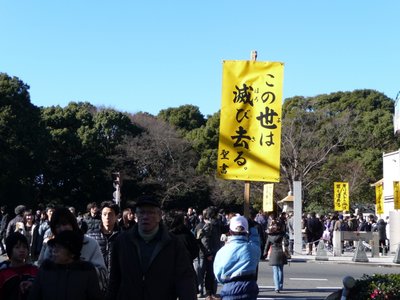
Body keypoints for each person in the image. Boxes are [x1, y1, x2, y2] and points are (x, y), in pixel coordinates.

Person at [106, 195, 197, 300]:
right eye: (142, 212)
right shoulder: (122, 241)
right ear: (136, 216)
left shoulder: (173, 243)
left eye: (151, 212)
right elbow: (114, 279)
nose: (145, 216)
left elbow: (185, 279)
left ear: (159, 216)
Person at [37, 207, 107, 293]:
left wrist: (80, 267)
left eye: (65, 224)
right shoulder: (51, 246)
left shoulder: (90, 243)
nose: (62, 229)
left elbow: (103, 274)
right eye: (57, 226)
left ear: (73, 224)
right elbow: (42, 272)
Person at [28, 230, 104, 300]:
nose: (54, 251)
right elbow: (34, 295)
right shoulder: (46, 268)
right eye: (54, 246)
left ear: (72, 253)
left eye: (59, 248)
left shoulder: (86, 270)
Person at [213, 215, 260, 300]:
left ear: (230, 231)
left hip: (229, 288)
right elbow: (256, 241)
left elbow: (218, 274)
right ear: (247, 232)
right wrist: (253, 229)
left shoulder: (223, 251)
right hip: (249, 287)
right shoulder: (252, 248)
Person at [87, 201, 121, 277]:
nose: (107, 217)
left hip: (116, 278)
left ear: (116, 216)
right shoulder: (91, 236)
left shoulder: (123, 237)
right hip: (96, 279)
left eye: (110, 214)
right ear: (101, 216)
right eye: (104, 214)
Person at [195, 206, 223, 300]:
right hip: (207, 253)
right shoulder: (208, 225)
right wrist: (208, 253)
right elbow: (205, 240)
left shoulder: (214, 224)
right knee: (204, 273)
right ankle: (203, 291)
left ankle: (207, 292)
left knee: (208, 273)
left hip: (210, 252)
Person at [0, 232, 38, 300]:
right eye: (17, 247)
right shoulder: (3, 273)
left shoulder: (34, 270)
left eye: (24, 247)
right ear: (10, 250)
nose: (22, 250)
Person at [267, 219, 288, 293]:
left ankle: (277, 287)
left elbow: (267, 245)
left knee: (275, 270)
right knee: (280, 270)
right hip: (281, 252)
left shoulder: (270, 235)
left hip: (273, 252)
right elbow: (286, 243)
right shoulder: (282, 234)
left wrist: (265, 253)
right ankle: (281, 285)